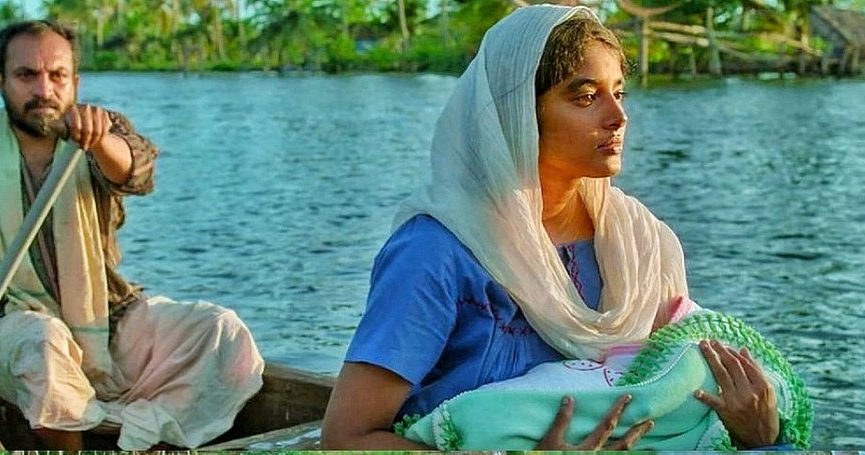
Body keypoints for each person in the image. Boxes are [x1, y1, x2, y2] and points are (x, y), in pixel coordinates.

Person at [322, 5, 794, 450]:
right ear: (517, 113)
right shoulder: (438, 252)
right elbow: (346, 439)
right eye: (586, 97)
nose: (618, 117)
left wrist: (757, 433)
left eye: (618, 92)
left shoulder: (642, 245)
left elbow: (667, 401)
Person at [0, 20, 263, 450]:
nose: (44, 90)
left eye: (57, 75)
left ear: (75, 82)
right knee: (43, 343)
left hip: (107, 320)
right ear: (0, 82)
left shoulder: (103, 132)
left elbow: (137, 172)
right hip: (9, 328)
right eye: (26, 75)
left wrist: (99, 142)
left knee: (220, 330)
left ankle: (140, 431)